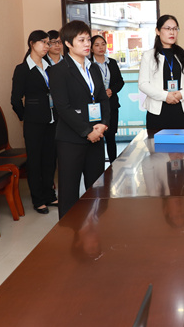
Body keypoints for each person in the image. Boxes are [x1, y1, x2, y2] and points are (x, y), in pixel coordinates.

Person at [51, 20, 110, 218]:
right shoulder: (59, 71)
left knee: (97, 188)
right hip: (71, 140)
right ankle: (68, 232)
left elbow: (103, 99)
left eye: (88, 40)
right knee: (69, 190)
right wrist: (87, 131)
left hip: (96, 136)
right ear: (68, 43)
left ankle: (97, 226)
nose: (87, 44)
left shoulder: (93, 68)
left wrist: (103, 125)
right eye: (81, 40)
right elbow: (63, 108)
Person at [11, 31, 58, 214]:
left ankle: (50, 195)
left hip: (52, 120)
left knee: (49, 160)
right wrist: (26, 117)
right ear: (32, 43)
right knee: (35, 161)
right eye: (43, 42)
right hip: (33, 123)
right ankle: (38, 200)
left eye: (48, 43)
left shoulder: (50, 66)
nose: (47, 46)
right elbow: (15, 99)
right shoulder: (23, 69)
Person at [139, 15, 184, 130]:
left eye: (175, 29)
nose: (172, 32)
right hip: (157, 111)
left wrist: (182, 94)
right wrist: (165, 96)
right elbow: (143, 84)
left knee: (182, 141)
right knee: (157, 142)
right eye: (168, 28)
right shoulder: (148, 56)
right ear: (157, 31)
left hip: (181, 108)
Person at [91, 34, 125, 163]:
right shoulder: (88, 64)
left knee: (111, 137)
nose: (101, 47)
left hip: (111, 105)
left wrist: (111, 90)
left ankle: (113, 165)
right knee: (97, 137)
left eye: (103, 44)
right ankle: (97, 166)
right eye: (97, 45)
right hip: (95, 106)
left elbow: (120, 82)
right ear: (91, 48)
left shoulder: (112, 62)